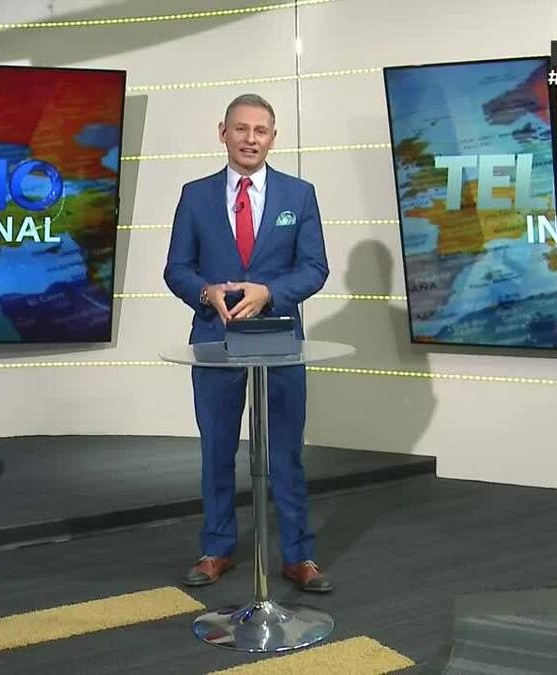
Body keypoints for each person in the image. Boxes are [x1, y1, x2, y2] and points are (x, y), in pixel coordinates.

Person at [163, 94, 332, 593]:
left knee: (285, 454)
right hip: (214, 341)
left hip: (279, 340)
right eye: (241, 129)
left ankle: (298, 556)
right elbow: (176, 267)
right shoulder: (195, 196)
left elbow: (315, 268)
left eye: (260, 131)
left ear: (273, 138)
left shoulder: (299, 195)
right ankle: (217, 548)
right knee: (217, 450)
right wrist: (205, 292)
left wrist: (270, 293)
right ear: (223, 132)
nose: (250, 139)